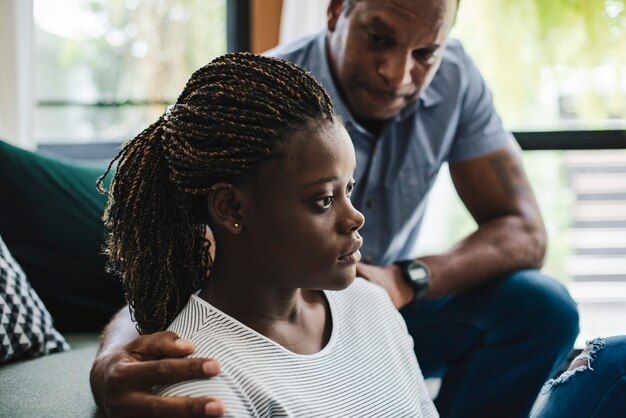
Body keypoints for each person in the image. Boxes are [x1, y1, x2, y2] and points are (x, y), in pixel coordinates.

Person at [90, 0, 580, 417]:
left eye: (425, 52)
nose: (398, 74)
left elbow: (526, 231)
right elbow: (183, 264)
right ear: (335, 10)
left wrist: (406, 281)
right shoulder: (265, 108)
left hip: (377, 295)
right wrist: (114, 355)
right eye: (379, 39)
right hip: (279, 292)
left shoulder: (455, 78)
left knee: (547, 310)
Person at [96, 52, 439, 417]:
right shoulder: (200, 378)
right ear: (232, 208)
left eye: (348, 189)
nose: (355, 217)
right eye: (323, 200)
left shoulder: (371, 305)